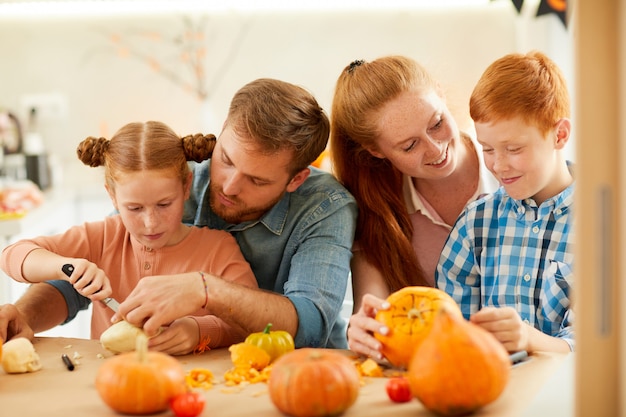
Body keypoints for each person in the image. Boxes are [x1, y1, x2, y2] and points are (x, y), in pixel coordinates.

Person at [1, 78, 358, 349]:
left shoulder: (325, 207)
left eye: (256, 179)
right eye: (227, 160)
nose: (230, 186)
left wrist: (206, 293)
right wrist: (24, 317)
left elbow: (310, 326)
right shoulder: (174, 180)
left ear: (296, 179)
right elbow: (79, 283)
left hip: (296, 371)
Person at [0, 121, 258, 355]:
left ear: (186, 186)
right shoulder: (103, 236)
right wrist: (68, 267)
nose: (150, 223)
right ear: (112, 196)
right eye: (134, 208)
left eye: (164, 204)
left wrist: (200, 330)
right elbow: (13, 255)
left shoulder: (218, 248)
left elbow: (250, 322)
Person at [330, 55, 498, 360]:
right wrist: (364, 329)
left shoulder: (514, 168)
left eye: (436, 123)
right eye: (409, 146)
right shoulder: (378, 211)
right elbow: (372, 308)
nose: (435, 149)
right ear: (376, 151)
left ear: (440, 93)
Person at [436, 50, 574, 353]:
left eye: (513, 148)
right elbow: (454, 338)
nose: (498, 165)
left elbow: (599, 349)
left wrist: (529, 340)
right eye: (487, 149)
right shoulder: (475, 223)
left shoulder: (605, 220)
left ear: (559, 135)